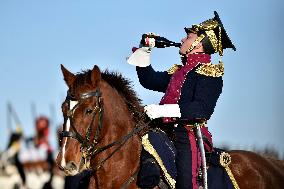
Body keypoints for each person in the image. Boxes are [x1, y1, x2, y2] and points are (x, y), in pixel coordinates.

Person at [127, 11, 236, 189]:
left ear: (198, 44)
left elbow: (201, 109)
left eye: (188, 36)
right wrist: (144, 49)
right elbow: (150, 80)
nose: (182, 38)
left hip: (189, 134)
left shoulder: (211, 73)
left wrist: (163, 110)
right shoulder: (180, 71)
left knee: (186, 183)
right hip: (163, 129)